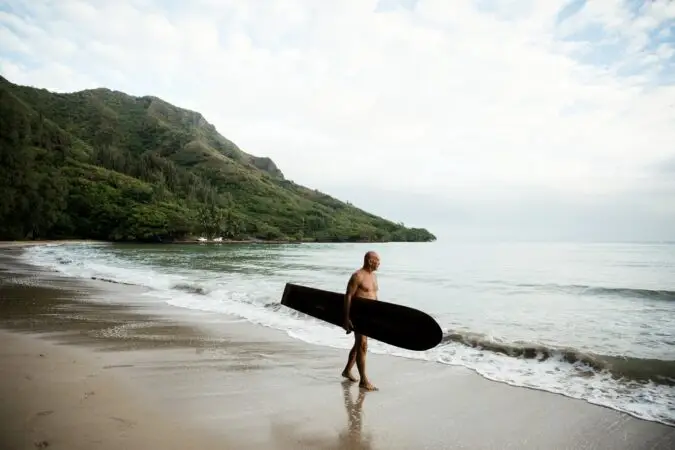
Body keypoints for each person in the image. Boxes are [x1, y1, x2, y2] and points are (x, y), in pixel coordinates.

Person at [341, 250, 380, 391]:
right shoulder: (357, 276)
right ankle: (363, 380)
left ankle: (346, 371)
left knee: (359, 344)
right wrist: (346, 318)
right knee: (362, 345)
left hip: (369, 316)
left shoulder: (374, 277)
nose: (379, 264)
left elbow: (374, 296)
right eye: (377, 261)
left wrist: (378, 315)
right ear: (370, 261)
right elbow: (348, 296)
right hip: (358, 315)